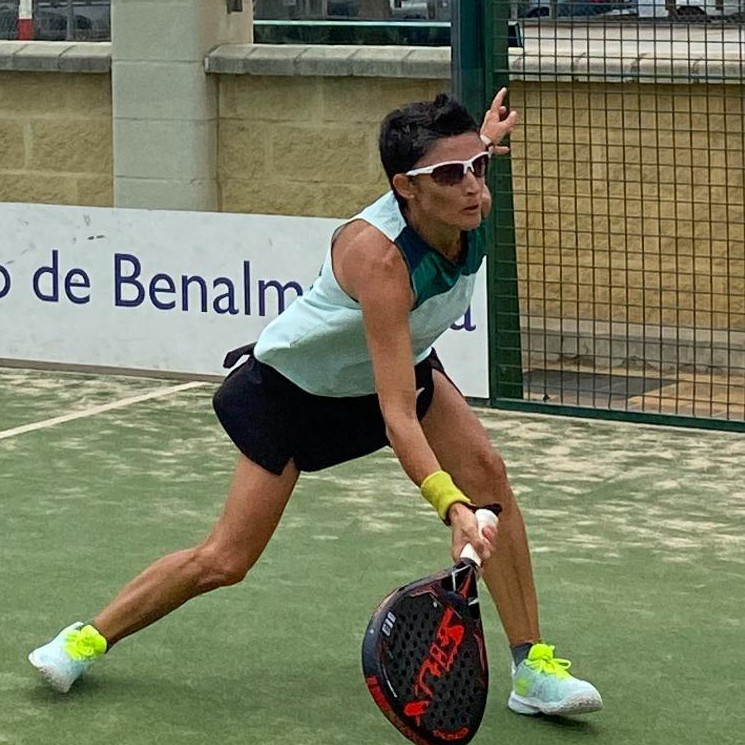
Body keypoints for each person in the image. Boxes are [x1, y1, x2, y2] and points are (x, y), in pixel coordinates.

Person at [28, 88, 603, 718]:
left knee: (489, 474)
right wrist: (451, 506)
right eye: (450, 174)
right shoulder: (379, 258)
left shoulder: (467, 201)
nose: (472, 186)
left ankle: (531, 668)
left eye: (478, 167)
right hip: (297, 394)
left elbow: (458, 171)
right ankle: (85, 638)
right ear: (405, 188)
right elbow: (396, 416)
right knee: (225, 559)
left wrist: (482, 140)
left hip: (395, 369)